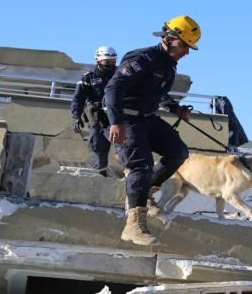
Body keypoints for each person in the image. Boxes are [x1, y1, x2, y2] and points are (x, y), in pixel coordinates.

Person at [104, 15, 201, 245]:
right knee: (141, 164)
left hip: (148, 118)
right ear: (169, 38)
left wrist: (175, 109)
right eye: (184, 46)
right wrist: (115, 121)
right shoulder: (142, 58)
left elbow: (156, 92)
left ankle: (145, 193)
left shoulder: (168, 64)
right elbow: (114, 87)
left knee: (178, 152)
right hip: (126, 119)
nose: (187, 52)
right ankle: (133, 226)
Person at [71, 46, 117, 177]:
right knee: (98, 149)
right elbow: (78, 99)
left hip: (117, 119)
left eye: (113, 61)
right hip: (97, 120)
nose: (110, 65)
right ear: (98, 61)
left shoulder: (120, 76)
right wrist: (76, 117)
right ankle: (100, 178)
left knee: (125, 148)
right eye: (106, 62)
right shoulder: (88, 78)